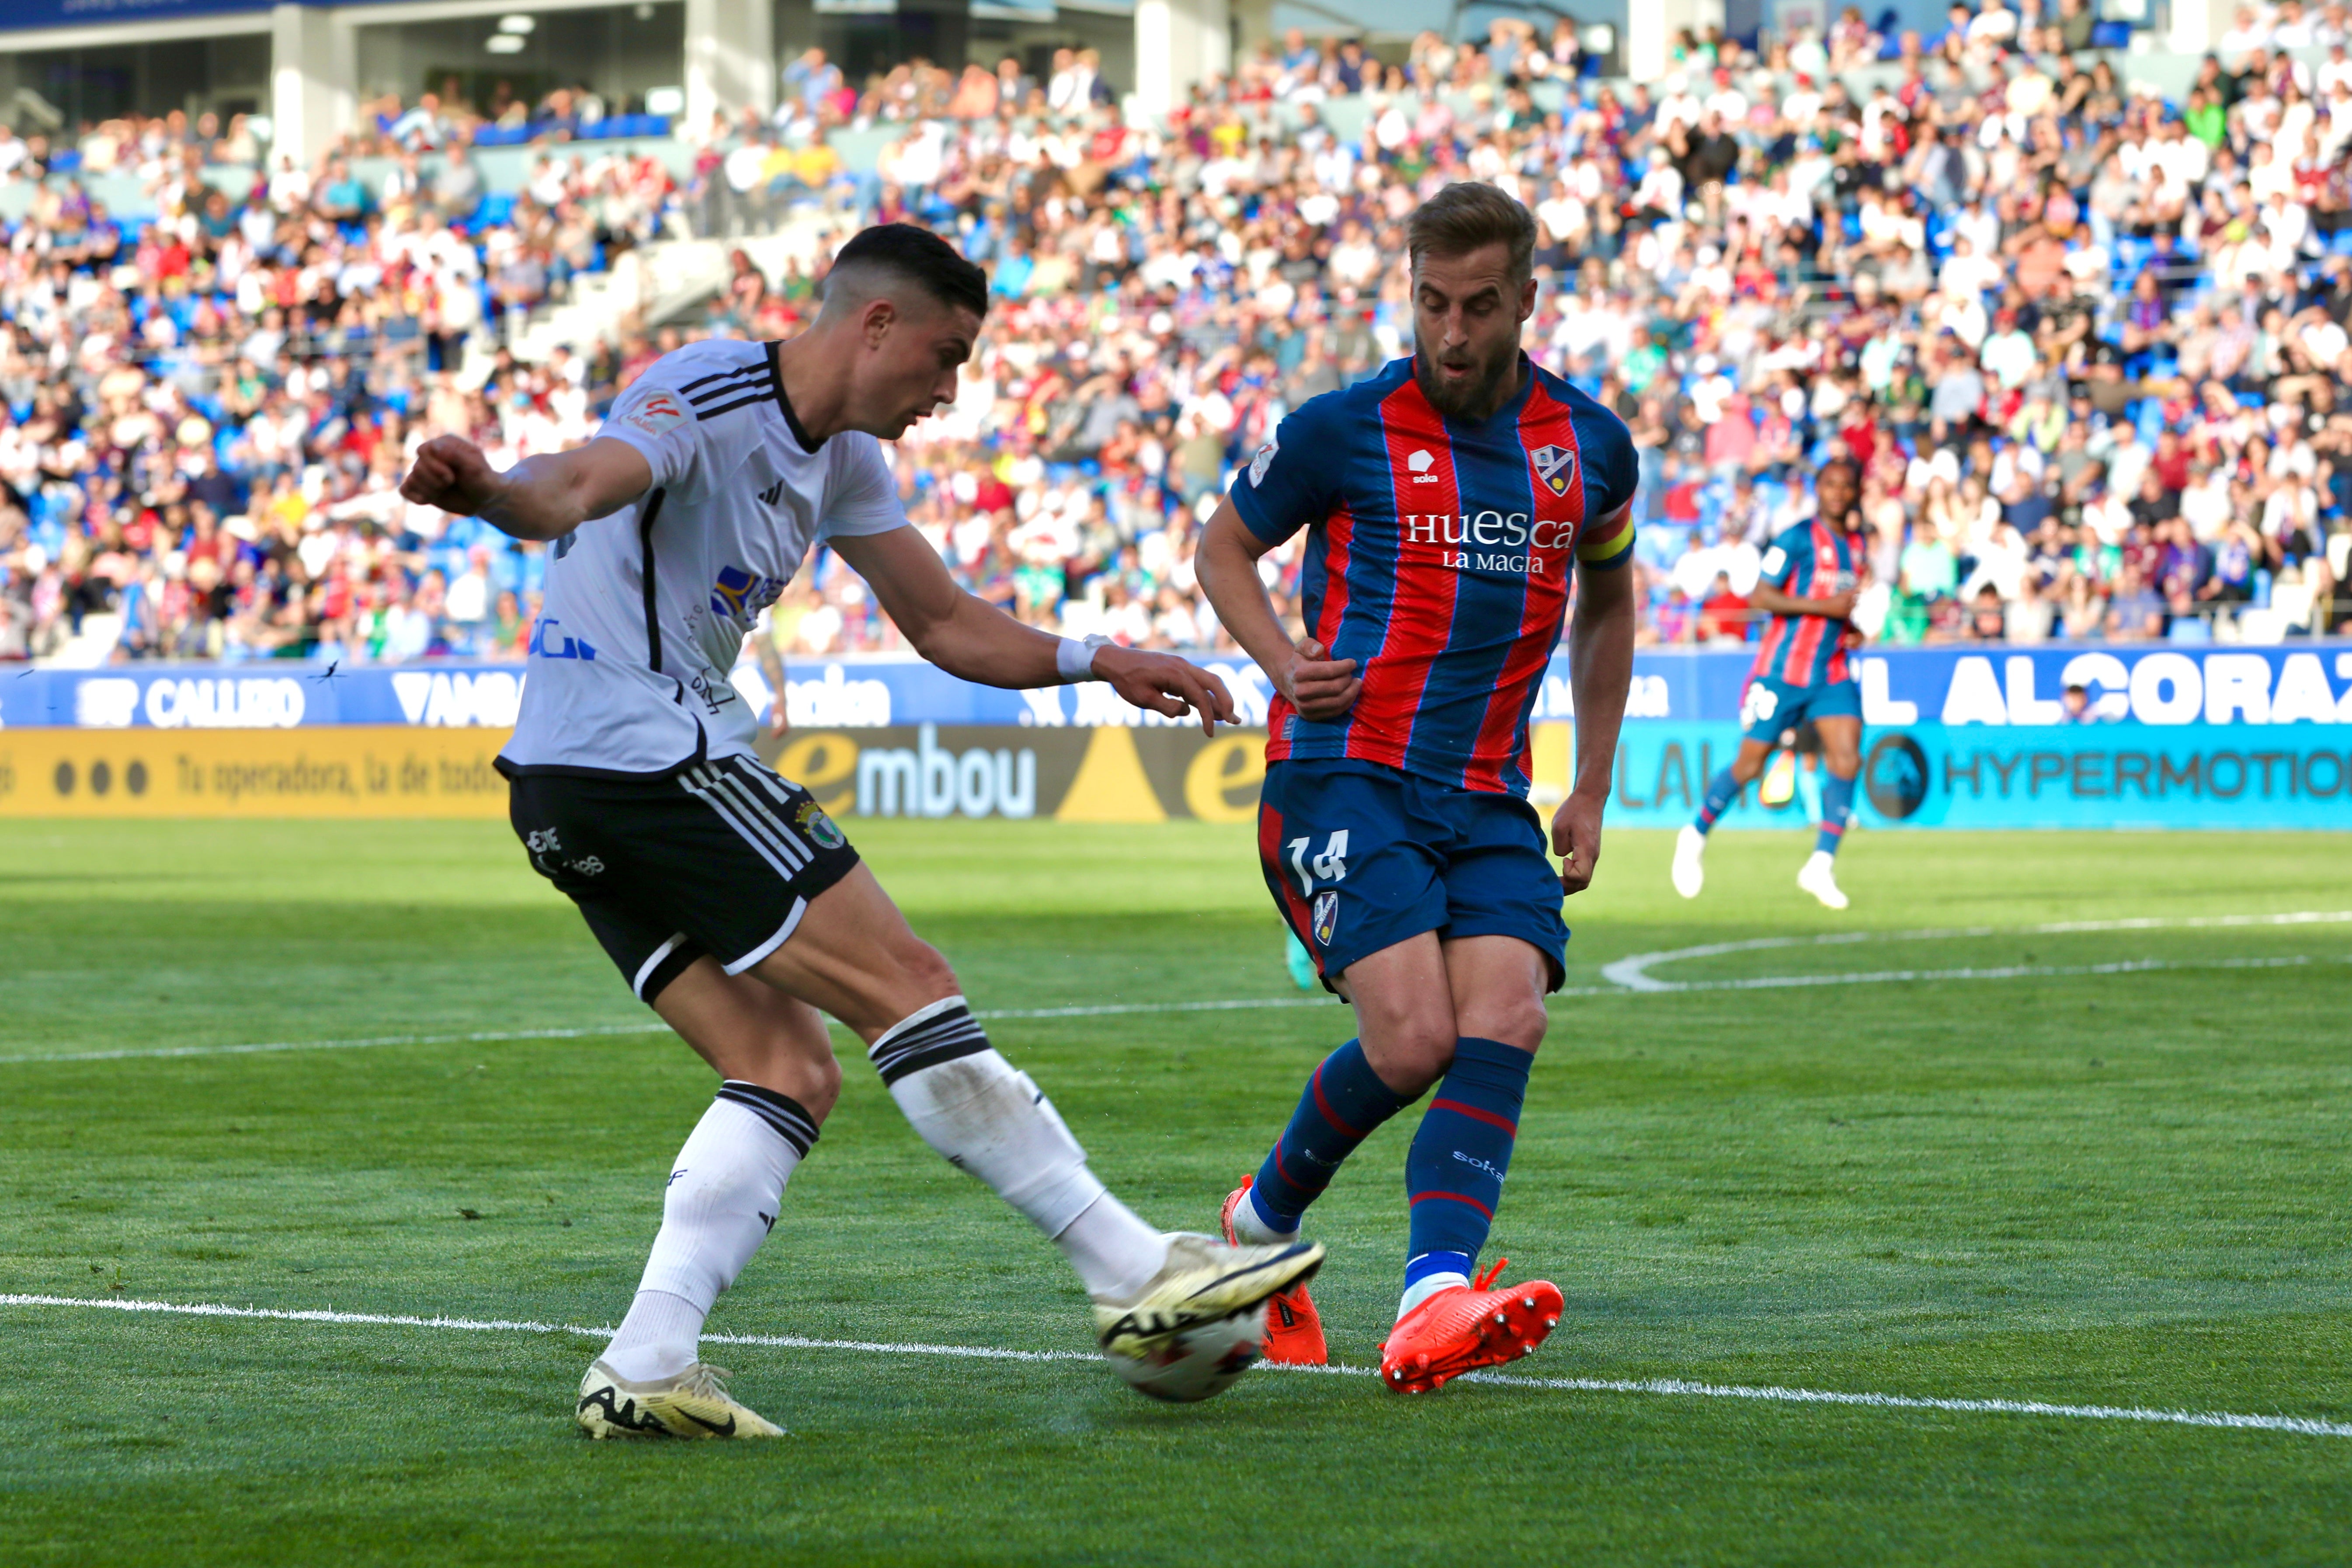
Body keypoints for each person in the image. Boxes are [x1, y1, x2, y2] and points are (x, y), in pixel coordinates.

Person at [396, 223, 1322, 1440]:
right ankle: (1133, 1269)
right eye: (943, 357)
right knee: (910, 986)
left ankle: (646, 1359)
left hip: (569, 787)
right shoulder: (705, 391)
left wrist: (1104, 660)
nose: (950, 390)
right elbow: (571, 486)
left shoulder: (839, 459)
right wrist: (486, 494)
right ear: (873, 323)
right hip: (648, 757)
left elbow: (940, 620)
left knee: (787, 1066)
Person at [1193, 182, 1641, 1394]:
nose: (1451, 332)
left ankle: (1432, 1295)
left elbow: (1608, 601)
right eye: (1431, 302)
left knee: (1507, 1018)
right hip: (1342, 772)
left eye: (1479, 306)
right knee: (1411, 1039)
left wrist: (1591, 784)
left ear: (1525, 302)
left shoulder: (1589, 448)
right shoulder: (1344, 428)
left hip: (1489, 792)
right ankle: (1259, 1219)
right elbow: (1220, 546)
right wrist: (1283, 663)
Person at [1672, 456, 1869, 911]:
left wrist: (1849, 626)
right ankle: (1694, 833)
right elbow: (1759, 596)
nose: (1838, 493)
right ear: (1817, 489)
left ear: (1855, 491)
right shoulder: (1796, 537)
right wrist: (1827, 611)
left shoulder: (1856, 545)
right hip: (1782, 670)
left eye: (1846, 486)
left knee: (1846, 757)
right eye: (1830, 485)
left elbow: (1835, 604)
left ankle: (1819, 864)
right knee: (1749, 765)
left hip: (1831, 669)